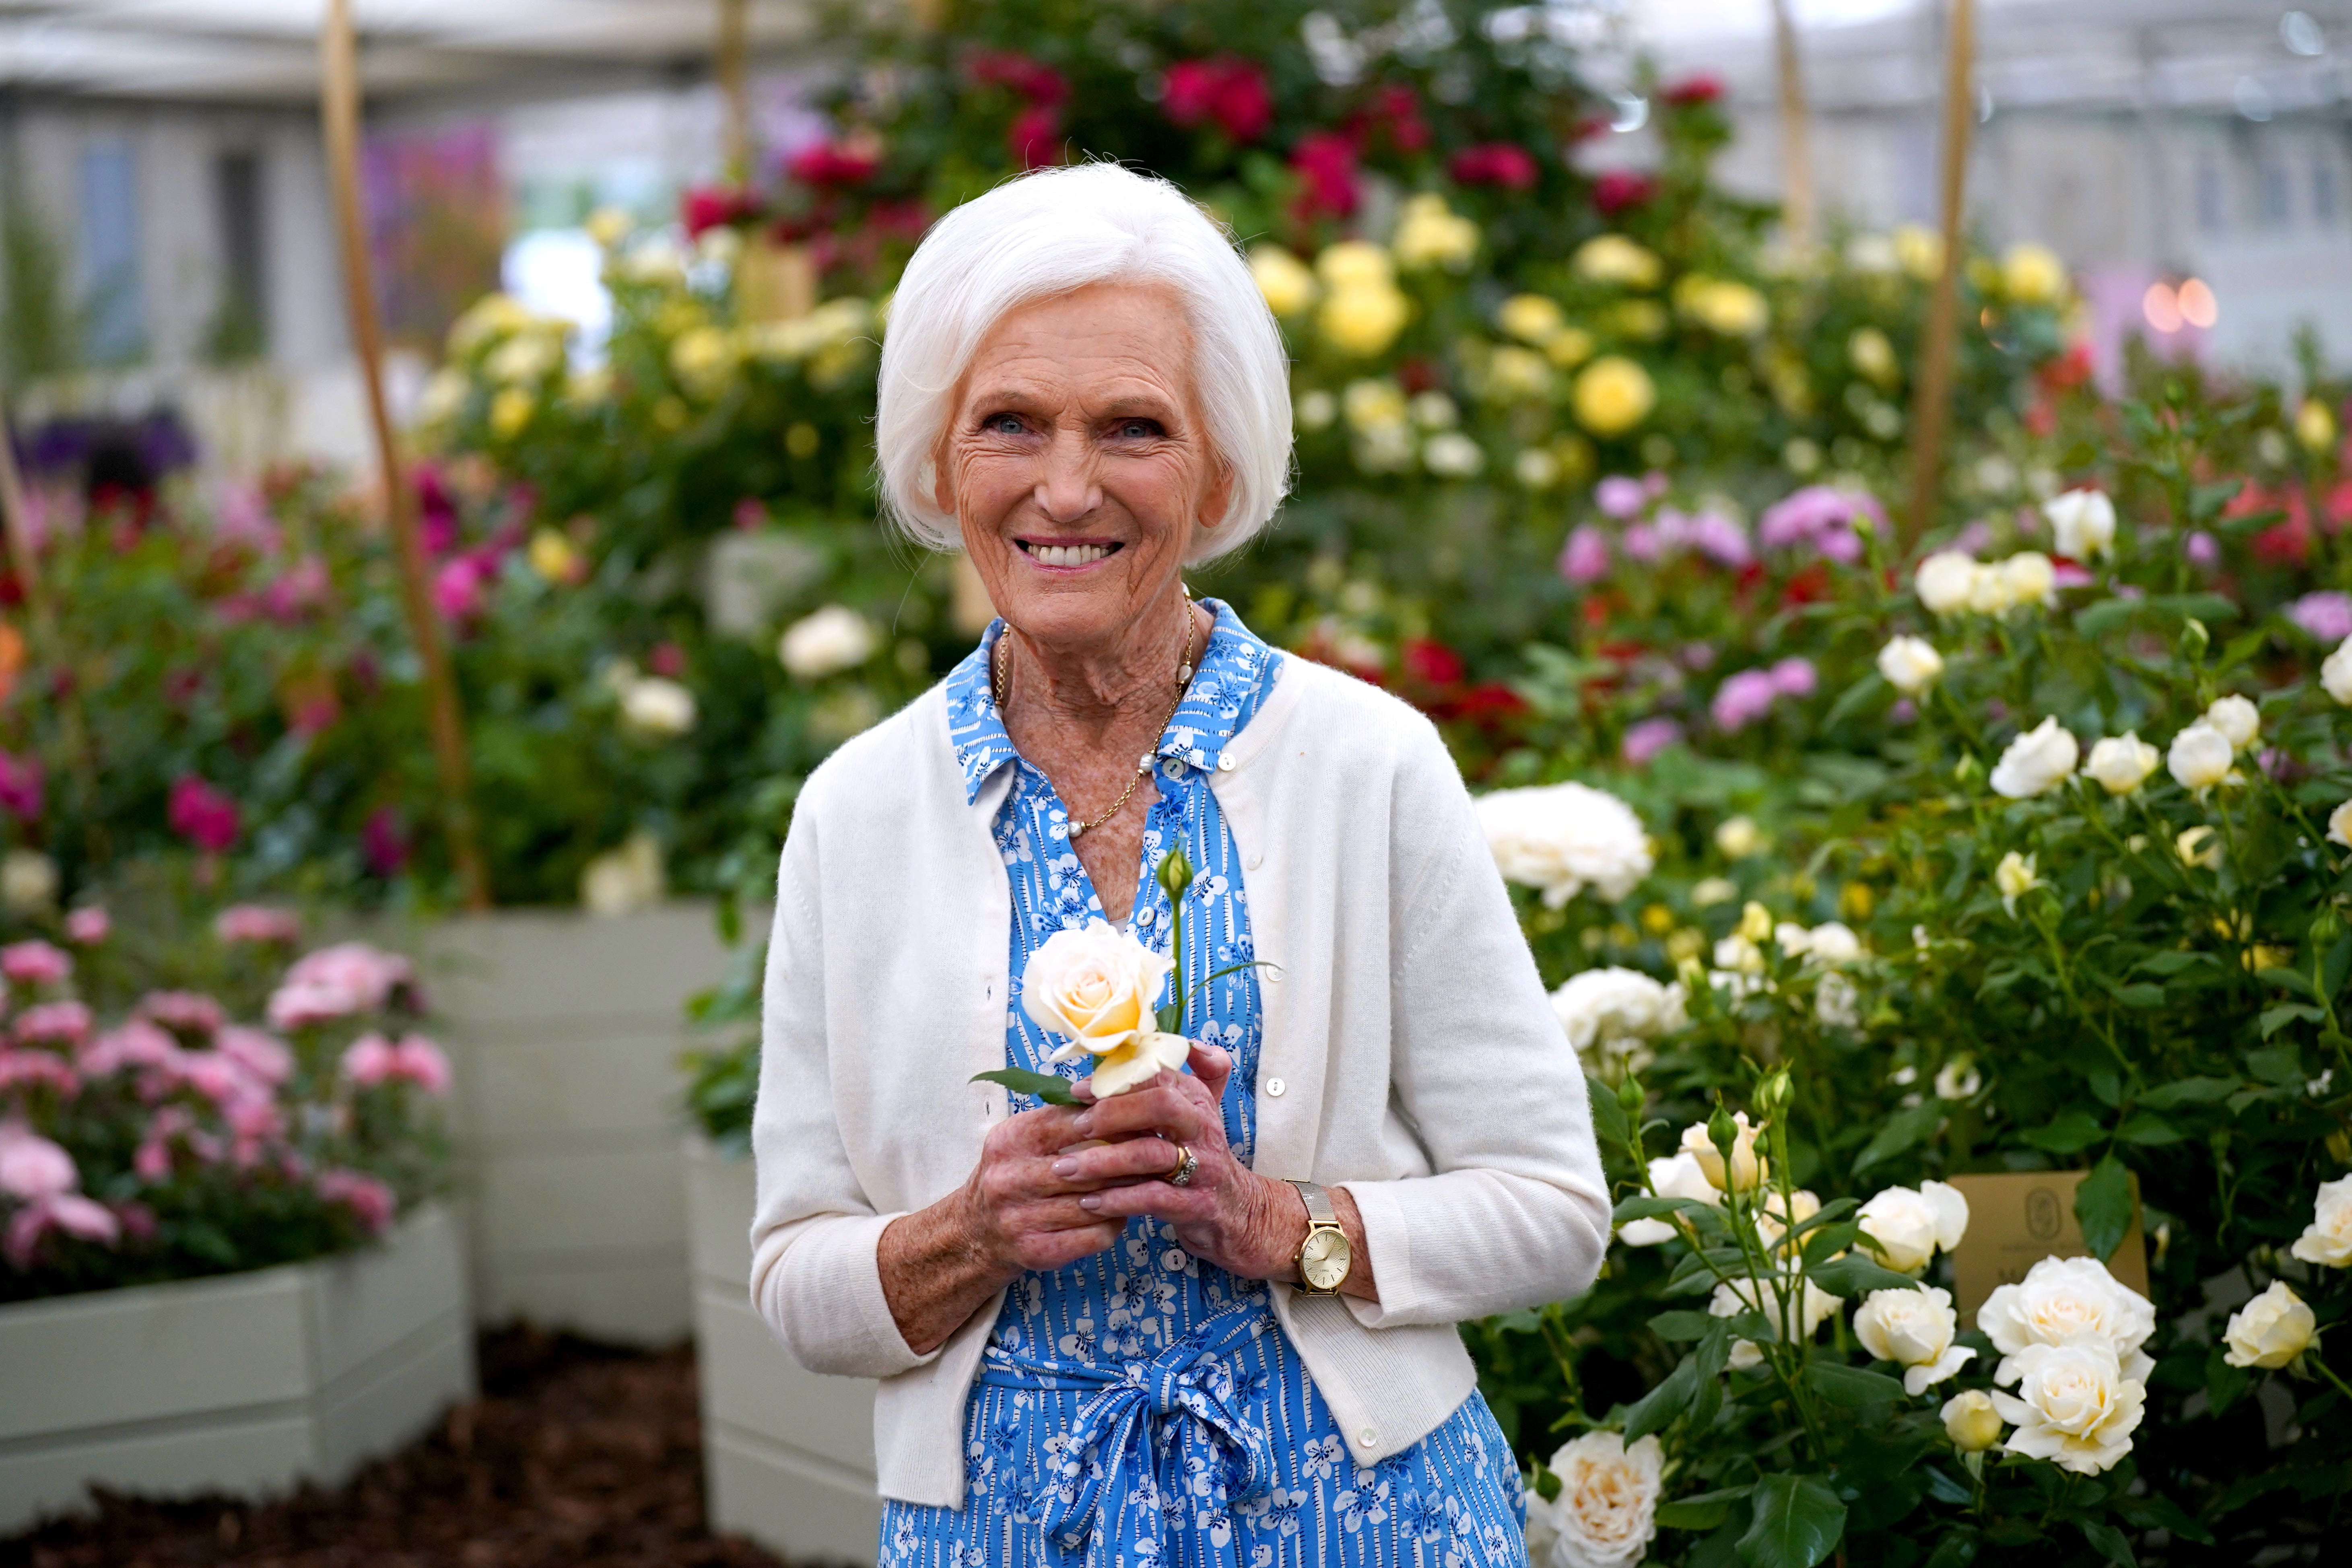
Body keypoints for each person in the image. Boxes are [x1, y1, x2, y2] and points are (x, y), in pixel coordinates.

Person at [748, 161, 1608, 1568]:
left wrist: (1280, 1221)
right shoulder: (856, 812)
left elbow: (1556, 1212)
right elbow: (794, 1277)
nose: (1064, 485)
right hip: (1006, 1534)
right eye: (1009, 422)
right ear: (937, 460)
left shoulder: (1370, 762)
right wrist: (975, 1228)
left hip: (1366, 1520)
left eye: (1133, 426)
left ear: (1217, 471)